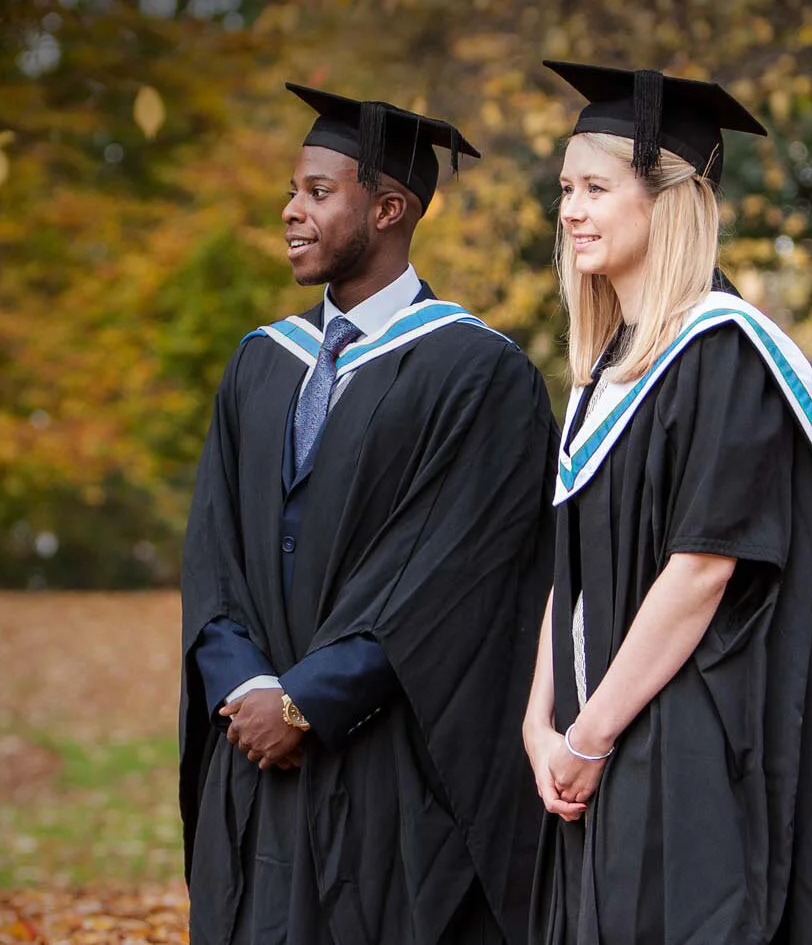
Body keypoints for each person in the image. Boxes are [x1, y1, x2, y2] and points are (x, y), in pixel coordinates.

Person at [180, 83, 557, 945]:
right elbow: (213, 551)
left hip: (388, 765)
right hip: (253, 758)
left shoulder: (477, 372)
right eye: (291, 190)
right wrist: (244, 688)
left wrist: (305, 703)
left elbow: (451, 574)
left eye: (318, 192)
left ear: (388, 208)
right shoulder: (262, 364)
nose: (290, 211)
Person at [525, 62, 812, 945]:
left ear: (667, 199)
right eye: (565, 188)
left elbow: (703, 566)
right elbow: (576, 565)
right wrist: (541, 715)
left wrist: (589, 733)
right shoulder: (606, 370)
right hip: (600, 729)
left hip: (686, 734)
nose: (570, 211)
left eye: (596, 187)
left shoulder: (727, 354)